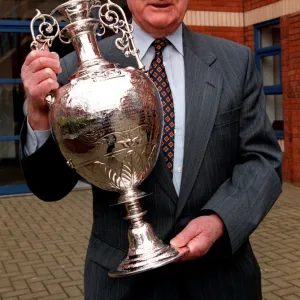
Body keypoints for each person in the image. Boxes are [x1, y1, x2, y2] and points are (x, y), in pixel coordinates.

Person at [20, 0, 282, 299]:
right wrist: (39, 114)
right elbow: (49, 187)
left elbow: (262, 159)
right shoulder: (72, 69)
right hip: (123, 286)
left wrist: (221, 219)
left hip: (223, 279)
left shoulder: (235, 61)